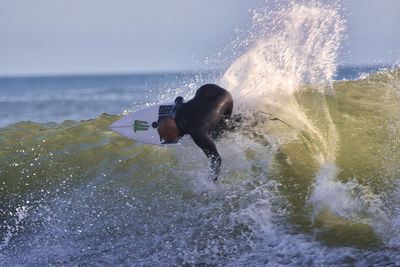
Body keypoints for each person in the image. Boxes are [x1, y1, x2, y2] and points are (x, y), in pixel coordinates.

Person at [157, 84, 233, 181]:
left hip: (225, 98)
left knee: (217, 135)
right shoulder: (176, 111)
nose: (164, 139)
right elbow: (178, 99)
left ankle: (244, 121)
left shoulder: (197, 133)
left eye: (165, 137)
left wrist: (211, 181)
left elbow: (216, 158)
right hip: (207, 88)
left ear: (172, 135)